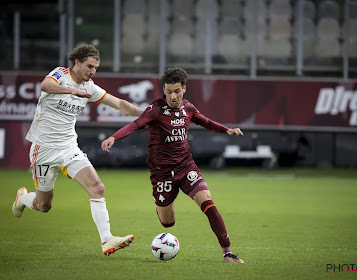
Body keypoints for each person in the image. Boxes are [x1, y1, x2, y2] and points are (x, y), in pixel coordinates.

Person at [101, 67, 245, 263]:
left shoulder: (189, 108)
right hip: (162, 174)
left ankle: (227, 252)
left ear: (184, 89)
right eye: (169, 92)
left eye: (177, 91)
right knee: (168, 223)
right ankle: (162, 204)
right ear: (164, 90)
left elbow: (207, 122)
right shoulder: (156, 109)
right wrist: (113, 137)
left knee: (209, 204)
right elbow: (135, 124)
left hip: (186, 167)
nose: (173, 96)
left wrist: (227, 130)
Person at [12, 44, 142, 256]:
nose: (92, 71)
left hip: (68, 147)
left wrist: (145, 114)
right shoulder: (60, 75)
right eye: (89, 66)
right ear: (77, 62)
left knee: (97, 187)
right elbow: (45, 86)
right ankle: (24, 199)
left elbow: (118, 103)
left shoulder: (89, 86)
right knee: (43, 205)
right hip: (43, 150)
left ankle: (107, 240)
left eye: (96, 68)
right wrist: (71, 90)